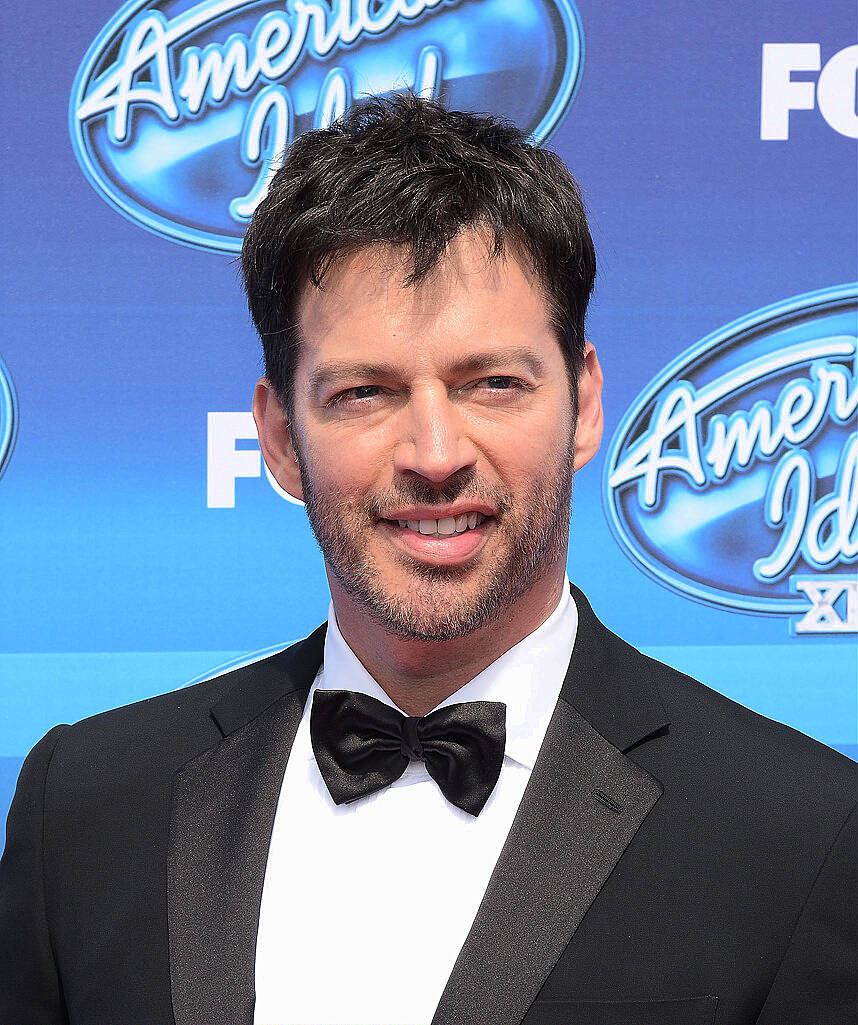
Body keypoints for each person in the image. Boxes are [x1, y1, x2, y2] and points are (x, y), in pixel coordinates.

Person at [0, 93, 855, 1025]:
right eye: (366, 392)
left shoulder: (800, 835)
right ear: (280, 436)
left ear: (585, 402)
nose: (436, 451)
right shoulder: (84, 806)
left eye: (492, 383)